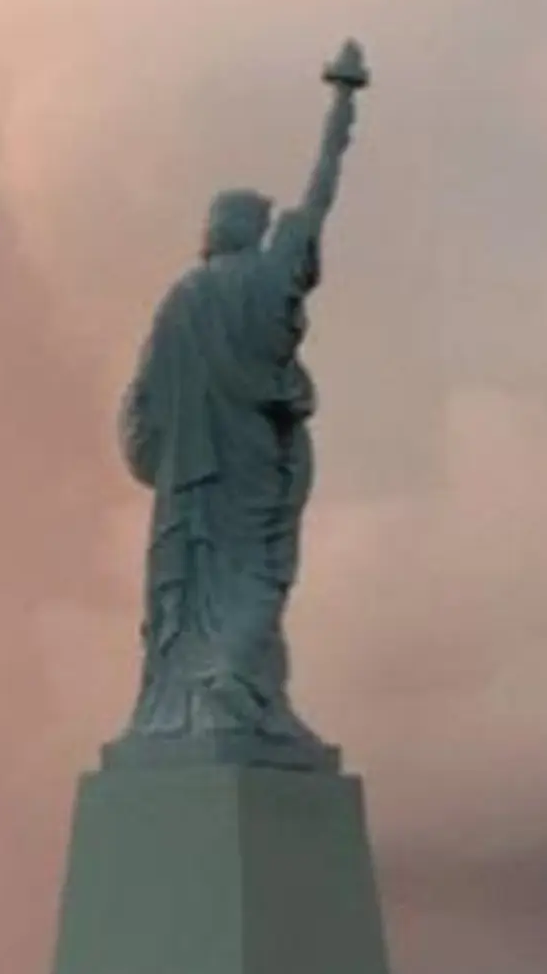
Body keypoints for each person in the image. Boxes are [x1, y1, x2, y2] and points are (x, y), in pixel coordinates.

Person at [114, 44, 368, 764]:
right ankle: (225, 691)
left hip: (196, 473)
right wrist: (342, 110)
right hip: (252, 461)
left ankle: (229, 695)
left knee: (201, 583)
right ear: (252, 231)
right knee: (254, 573)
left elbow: (141, 404)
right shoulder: (266, 279)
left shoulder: (181, 300)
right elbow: (319, 197)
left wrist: (153, 451)